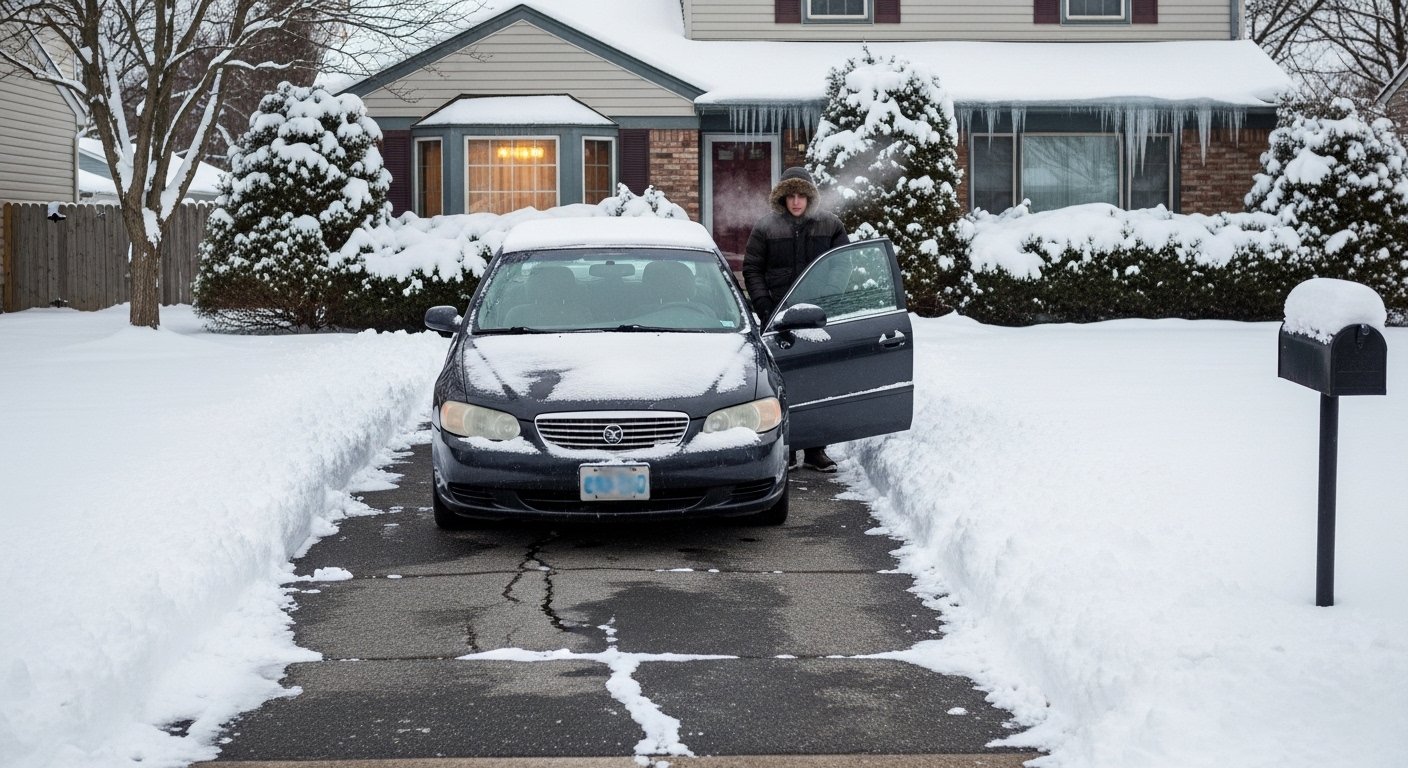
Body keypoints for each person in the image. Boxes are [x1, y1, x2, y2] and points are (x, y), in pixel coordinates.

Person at [743, 166, 848, 473]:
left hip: (816, 318)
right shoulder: (765, 228)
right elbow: (752, 269)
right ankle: (786, 448)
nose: (797, 201)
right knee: (781, 383)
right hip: (776, 318)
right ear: (783, 197)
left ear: (810, 196)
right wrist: (764, 306)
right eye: (791, 195)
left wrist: (826, 298)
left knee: (816, 380)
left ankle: (816, 449)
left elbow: (841, 265)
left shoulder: (831, 225)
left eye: (802, 195)